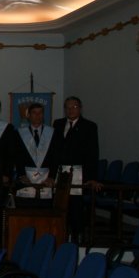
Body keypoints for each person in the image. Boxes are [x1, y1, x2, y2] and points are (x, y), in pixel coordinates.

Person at [53, 96, 101, 242]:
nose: (71, 110)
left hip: (79, 172)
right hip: (61, 171)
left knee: (76, 205)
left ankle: (76, 235)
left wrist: (91, 177)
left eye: (74, 107)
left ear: (80, 108)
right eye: (67, 107)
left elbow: (93, 153)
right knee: (61, 204)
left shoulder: (89, 126)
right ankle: (62, 234)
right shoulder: (58, 124)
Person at [15, 102, 60, 206]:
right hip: (26, 178)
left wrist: (52, 176)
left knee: (45, 209)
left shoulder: (53, 133)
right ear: (28, 115)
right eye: (34, 113)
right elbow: (17, 156)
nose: (37, 115)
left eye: (40, 113)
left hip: (46, 178)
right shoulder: (19, 133)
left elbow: (56, 156)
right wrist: (22, 174)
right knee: (25, 209)